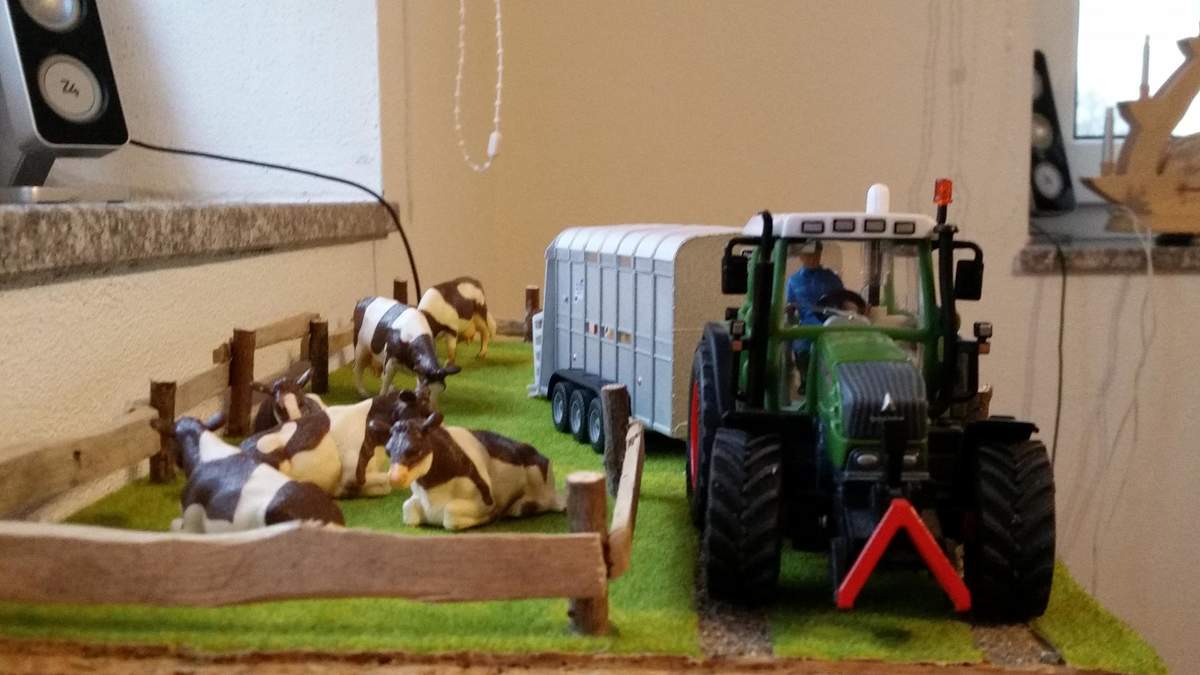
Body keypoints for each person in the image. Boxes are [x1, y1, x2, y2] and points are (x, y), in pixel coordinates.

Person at [786, 242, 844, 378]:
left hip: (832, 327)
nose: (813, 258)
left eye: (816, 255)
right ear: (801, 256)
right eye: (808, 255)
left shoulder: (832, 278)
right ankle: (805, 381)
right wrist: (788, 310)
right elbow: (790, 306)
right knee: (800, 349)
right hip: (807, 329)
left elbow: (844, 299)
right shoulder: (794, 281)